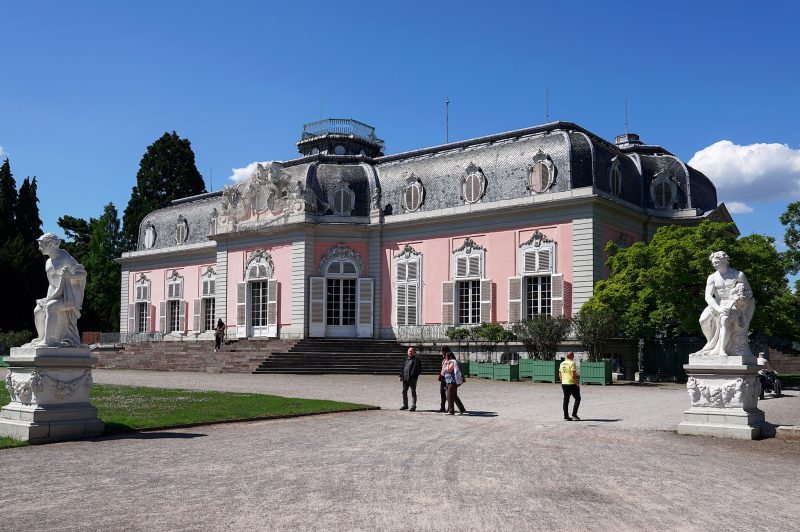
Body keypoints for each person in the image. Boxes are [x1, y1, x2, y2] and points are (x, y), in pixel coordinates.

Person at [24, 233, 87, 348]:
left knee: (51, 306)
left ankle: (47, 341)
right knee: (38, 310)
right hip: (55, 295)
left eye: (41, 245)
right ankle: (41, 338)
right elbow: (52, 284)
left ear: (49, 244)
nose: (39, 248)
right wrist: (49, 298)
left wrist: (70, 275)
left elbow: (82, 275)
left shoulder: (65, 258)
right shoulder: (48, 262)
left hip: (69, 297)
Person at [695, 251, 755, 358]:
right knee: (703, 320)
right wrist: (718, 309)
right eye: (713, 263)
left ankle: (722, 349)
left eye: (716, 262)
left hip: (733, 303)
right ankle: (710, 343)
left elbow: (749, 292)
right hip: (717, 303)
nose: (714, 265)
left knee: (725, 320)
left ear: (724, 261)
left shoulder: (738, 275)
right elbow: (708, 296)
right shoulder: (712, 277)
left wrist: (741, 297)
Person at [559, 352, 581, 421]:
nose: (573, 357)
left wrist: (562, 381)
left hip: (564, 384)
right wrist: (577, 384)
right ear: (571, 356)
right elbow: (573, 375)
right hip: (571, 384)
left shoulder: (562, 363)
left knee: (566, 399)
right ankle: (574, 414)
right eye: (573, 355)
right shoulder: (572, 363)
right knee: (578, 398)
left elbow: (560, 374)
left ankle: (566, 416)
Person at [399, 347, 422, 411]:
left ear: (414, 352)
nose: (410, 352)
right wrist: (401, 375)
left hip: (412, 379)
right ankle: (405, 405)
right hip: (405, 378)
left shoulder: (416, 360)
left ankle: (413, 406)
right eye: (409, 351)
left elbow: (419, 369)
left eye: (411, 351)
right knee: (404, 391)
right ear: (407, 352)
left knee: (413, 392)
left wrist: (414, 376)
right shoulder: (406, 359)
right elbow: (403, 368)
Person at [438, 346, 450, 413]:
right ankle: (442, 406)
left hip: (448, 377)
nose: (441, 352)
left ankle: (449, 407)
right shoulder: (444, 359)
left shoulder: (449, 358)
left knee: (448, 393)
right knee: (442, 392)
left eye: (442, 351)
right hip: (443, 377)